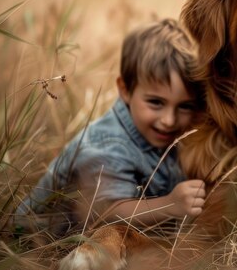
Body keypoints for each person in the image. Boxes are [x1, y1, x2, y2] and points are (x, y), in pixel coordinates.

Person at [15, 18, 207, 235]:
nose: (169, 120)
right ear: (125, 89)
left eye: (185, 106)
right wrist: (170, 205)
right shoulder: (107, 144)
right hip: (39, 242)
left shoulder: (168, 135)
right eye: (156, 102)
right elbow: (105, 211)